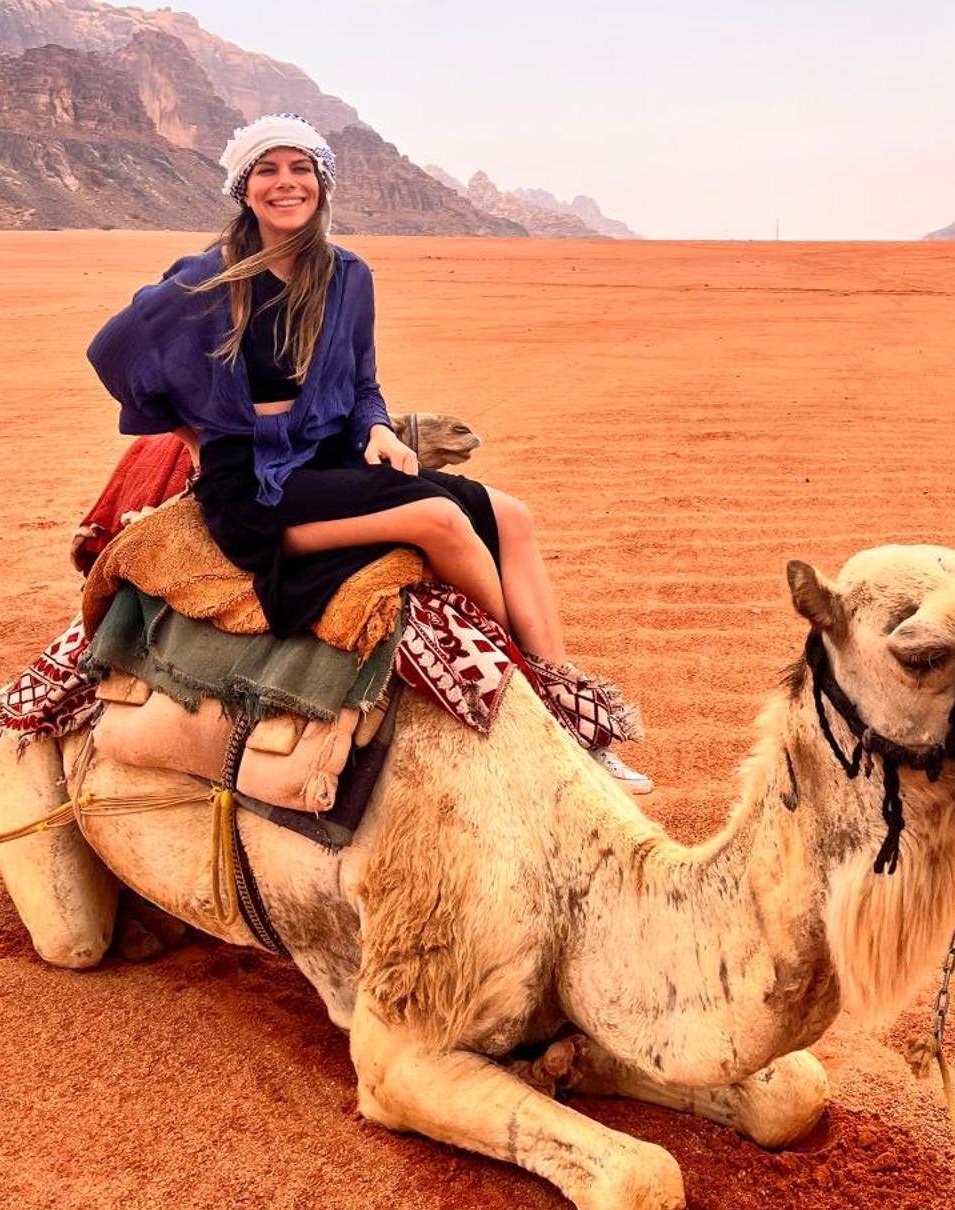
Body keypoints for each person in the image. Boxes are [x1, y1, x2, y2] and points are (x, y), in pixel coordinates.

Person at [87, 112, 651, 791]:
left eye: (300, 170)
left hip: (327, 460)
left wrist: (379, 429)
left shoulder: (348, 277)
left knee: (512, 515)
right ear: (243, 187)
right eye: (267, 170)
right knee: (440, 522)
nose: (285, 183)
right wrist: (195, 435)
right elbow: (112, 352)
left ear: (321, 184)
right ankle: (530, 698)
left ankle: (577, 719)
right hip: (254, 486)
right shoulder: (207, 278)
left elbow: (363, 386)